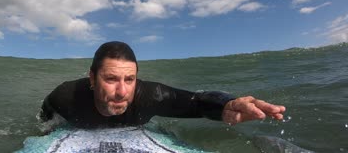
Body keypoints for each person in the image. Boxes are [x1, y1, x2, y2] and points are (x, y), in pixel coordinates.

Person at [39, 41, 285, 128]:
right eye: (111, 78)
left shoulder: (149, 97)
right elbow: (46, 112)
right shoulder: (66, 97)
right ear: (92, 78)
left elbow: (195, 102)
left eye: (130, 79)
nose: (122, 92)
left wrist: (228, 104)